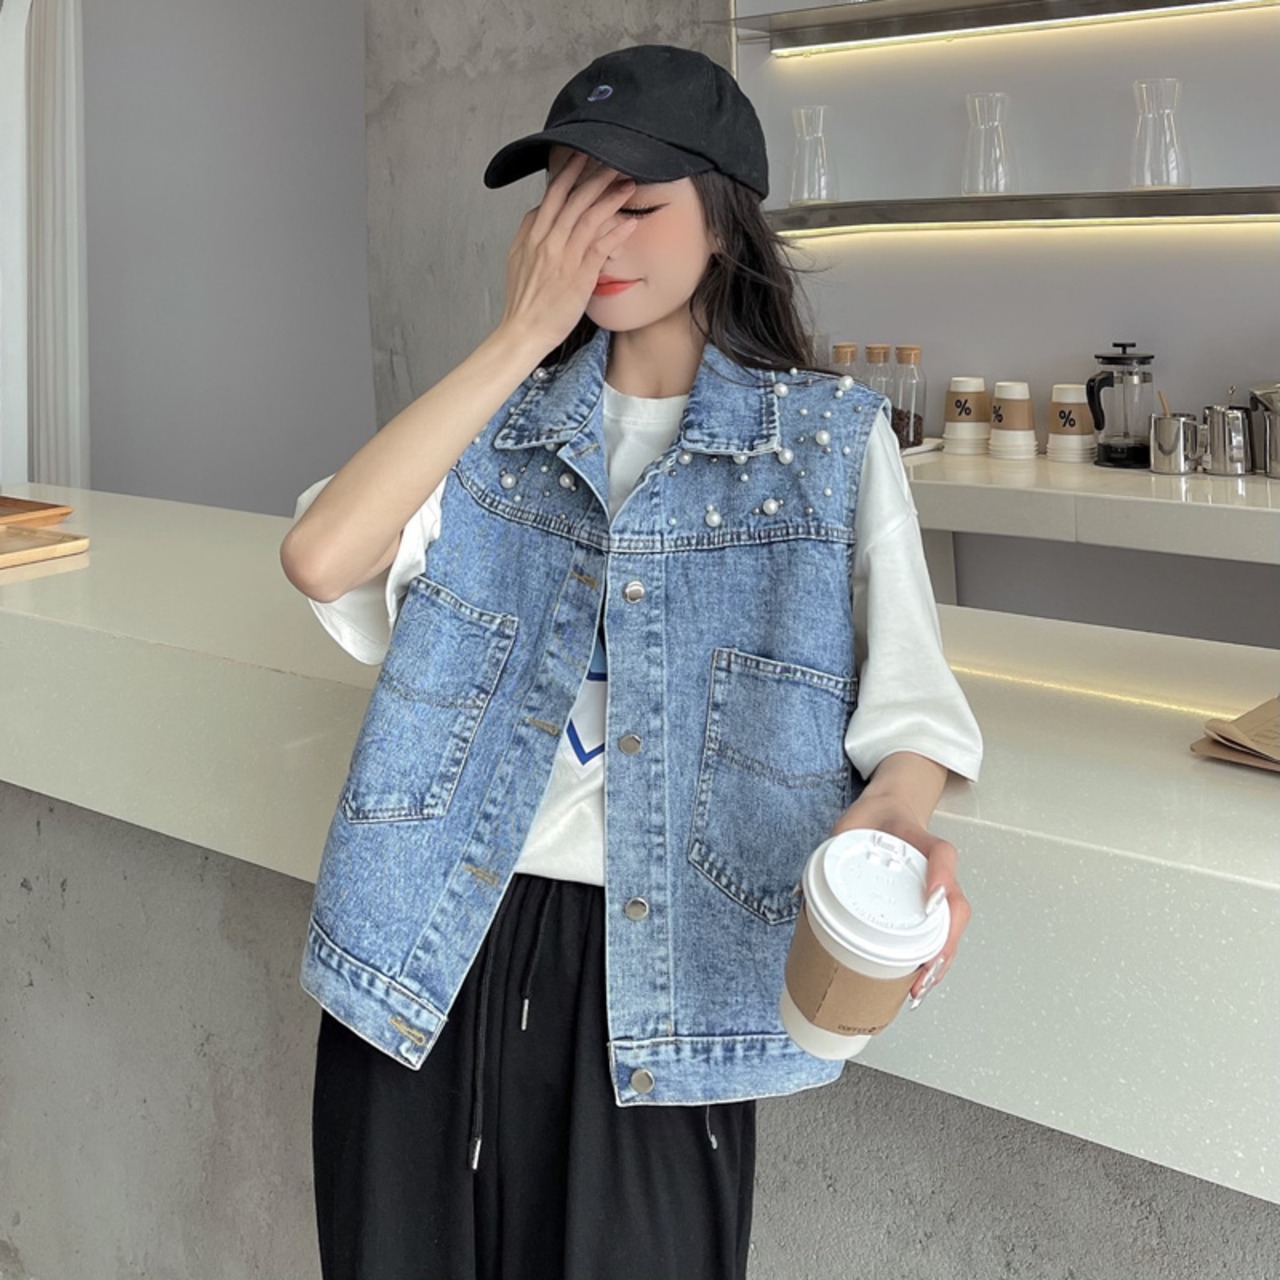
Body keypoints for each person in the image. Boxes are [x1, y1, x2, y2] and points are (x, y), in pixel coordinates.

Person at [280, 42, 981, 1280]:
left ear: (722, 221)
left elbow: (911, 709)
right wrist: (519, 334)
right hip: (431, 947)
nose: (590, 238)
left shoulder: (824, 443)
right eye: (566, 199)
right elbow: (322, 555)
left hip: (672, 978)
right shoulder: (490, 423)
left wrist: (893, 817)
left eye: (633, 204)